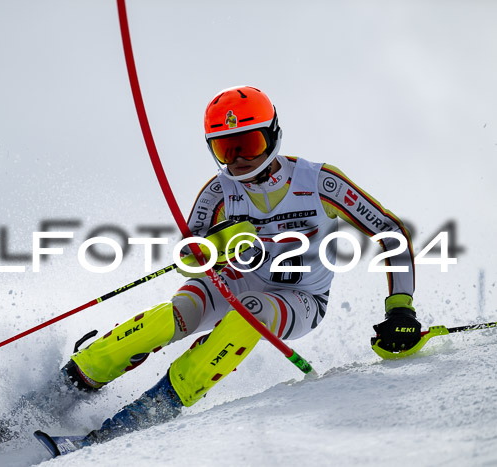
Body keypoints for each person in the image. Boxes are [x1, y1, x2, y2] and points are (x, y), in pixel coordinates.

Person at [57, 85, 421, 445]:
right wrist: (213, 246)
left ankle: (149, 411)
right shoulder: (218, 192)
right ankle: (72, 380)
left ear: (272, 136)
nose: (238, 160)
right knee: (177, 314)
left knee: (250, 313)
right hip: (237, 279)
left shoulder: (319, 182)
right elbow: (188, 258)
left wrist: (400, 309)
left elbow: (389, 231)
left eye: (249, 145)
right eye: (225, 149)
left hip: (300, 297)